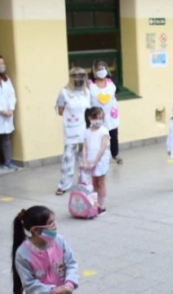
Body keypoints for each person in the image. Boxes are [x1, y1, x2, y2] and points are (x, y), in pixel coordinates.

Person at [55, 67, 90, 195]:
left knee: (84, 156)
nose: (78, 78)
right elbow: (60, 110)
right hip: (71, 129)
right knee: (68, 158)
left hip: (85, 129)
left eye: (81, 76)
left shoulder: (87, 92)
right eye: (75, 76)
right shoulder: (64, 92)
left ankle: (84, 182)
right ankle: (64, 184)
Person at [89, 60, 121, 164]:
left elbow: (115, 94)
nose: (101, 71)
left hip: (111, 115)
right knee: (97, 136)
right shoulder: (89, 84)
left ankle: (115, 154)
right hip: (96, 115)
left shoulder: (111, 82)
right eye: (98, 69)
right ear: (93, 71)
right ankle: (97, 156)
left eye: (103, 69)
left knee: (113, 135)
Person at [82, 107, 111, 215]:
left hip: (101, 161)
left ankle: (101, 205)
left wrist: (95, 161)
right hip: (90, 161)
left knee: (101, 182)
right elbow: (84, 147)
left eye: (101, 118)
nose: (99, 120)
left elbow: (102, 148)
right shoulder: (87, 132)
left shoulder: (104, 131)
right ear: (90, 118)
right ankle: (94, 204)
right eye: (96, 118)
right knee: (94, 182)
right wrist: (85, 161)